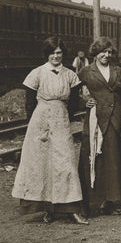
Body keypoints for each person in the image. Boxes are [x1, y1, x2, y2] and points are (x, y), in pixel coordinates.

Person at [12, 37, 88, 225]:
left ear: (63, 54)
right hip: (40, 123)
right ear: (47, 54)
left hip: (61, 121)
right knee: (42, 165)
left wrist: (65, 119)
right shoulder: (37, 73)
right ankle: (48, 209)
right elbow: (29, 103)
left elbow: (74, 102)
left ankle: (71, 209)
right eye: (52, 52)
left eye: (59, 52)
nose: (56, 56)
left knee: (65, 162)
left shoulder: (70, 74)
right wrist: (36, 128)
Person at [77, 37, 121, 216]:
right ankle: (96, 201)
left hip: (115, 120)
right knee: (95, 159)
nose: (106, 55)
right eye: (103, 52)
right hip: (95, 120)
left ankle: (115, 201)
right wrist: (84, 101)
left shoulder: (118, 70)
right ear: (95, 53)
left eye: (109, 52)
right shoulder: (86, 71)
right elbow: (75, 93)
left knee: (115, 161)